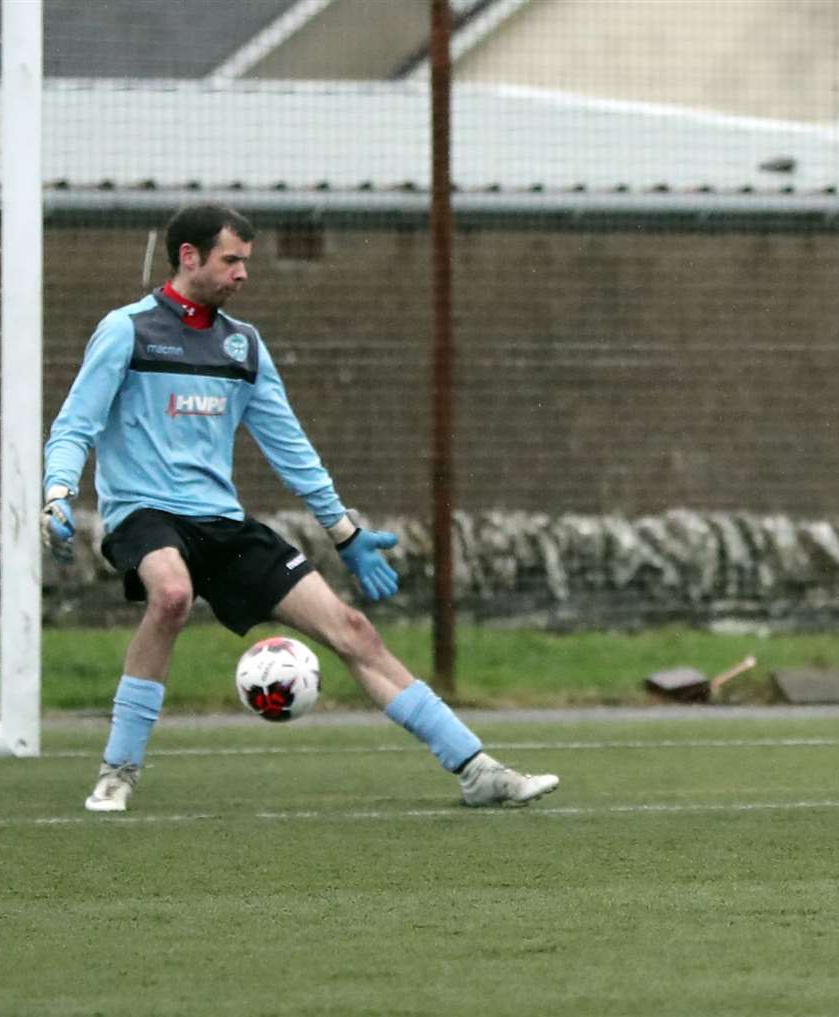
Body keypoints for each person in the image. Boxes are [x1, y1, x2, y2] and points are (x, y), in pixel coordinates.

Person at [42, 203, 559, 814]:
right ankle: (118, 771)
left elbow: (289, 446)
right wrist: (58, 491)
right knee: (172, 596)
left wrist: (345, 533)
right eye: (231, 260)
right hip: (144, 514)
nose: (242, 274)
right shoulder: (127, 330)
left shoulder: (243, 346)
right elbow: (76, 424)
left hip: (221, 522)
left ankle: (477, 768)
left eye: (246, 262)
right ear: (189, 256)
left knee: (353, 629)